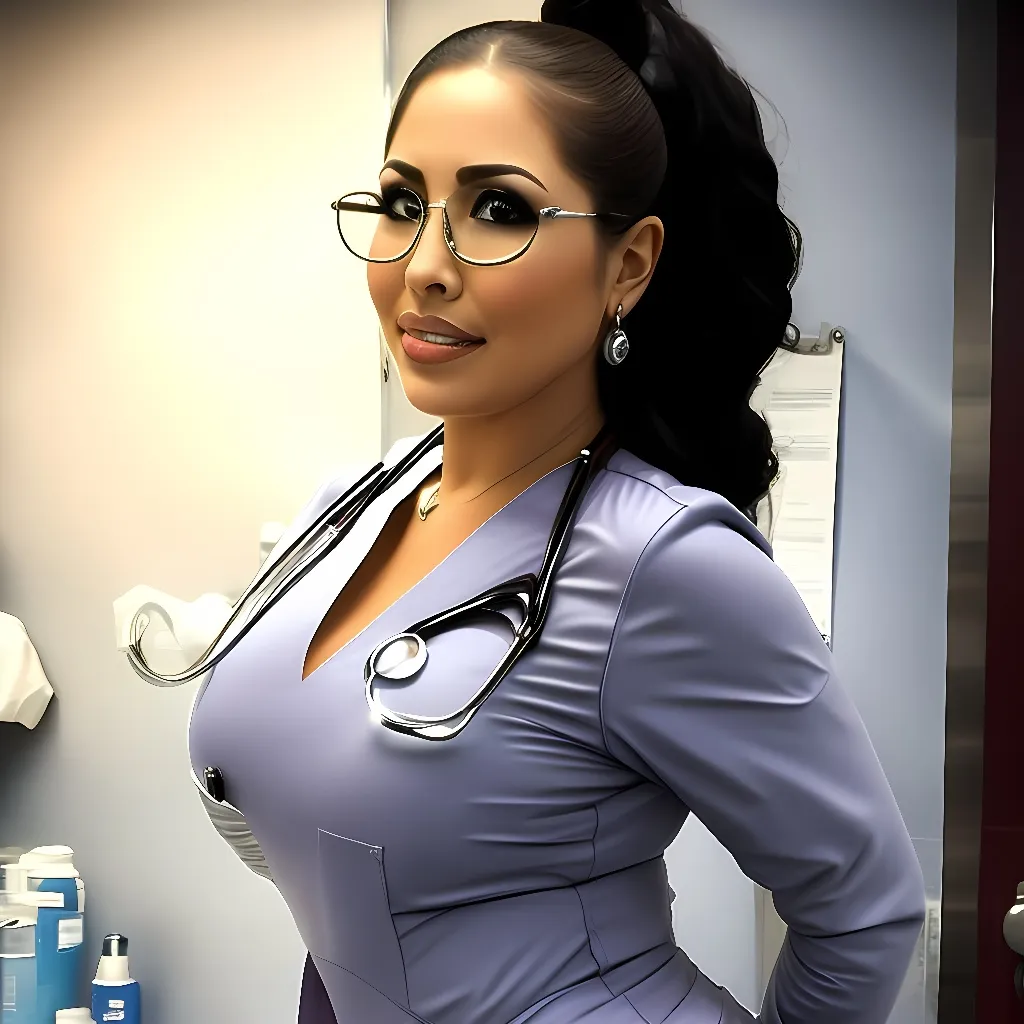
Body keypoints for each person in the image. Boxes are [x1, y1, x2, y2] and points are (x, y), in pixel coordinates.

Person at [181, 1, 927, 1021]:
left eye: (499, 209)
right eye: (401, 202)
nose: (425, 266)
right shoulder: (350, 507)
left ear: (628, 265)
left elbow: (864, 912)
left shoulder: (663, 561)